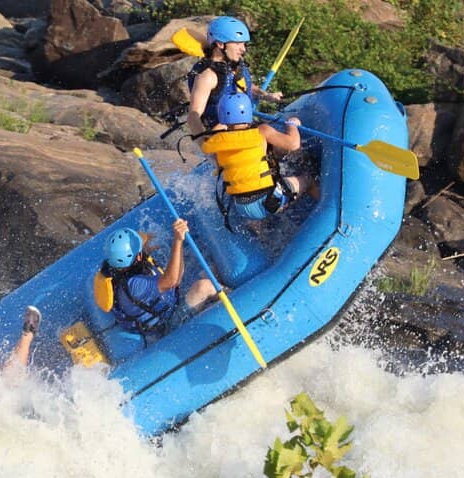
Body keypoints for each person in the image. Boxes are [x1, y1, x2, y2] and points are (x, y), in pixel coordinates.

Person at [202, 91, 317, 228]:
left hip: (242, 207)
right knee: (308, 180)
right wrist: (292, 124)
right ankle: (328, 213)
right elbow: (293, 144)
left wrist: (223, 123)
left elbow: (212, 136)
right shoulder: (262, 131)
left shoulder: (217, 143)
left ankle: (262, 229)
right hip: (266, 202)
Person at [97, 220, 216, 336]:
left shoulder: (117, 266)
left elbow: (175, 280)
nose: (144, 246)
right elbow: (173, 281)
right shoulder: (134, 285)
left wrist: (145, 245)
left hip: (168, 301)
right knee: (204, 286)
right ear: (138, 257)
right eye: (141, 249)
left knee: (211, 271)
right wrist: (178, 240)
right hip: (168, 325)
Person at [185, 16, 284, 138]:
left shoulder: (234, 64)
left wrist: (266, 96)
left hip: (244, 129)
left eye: (243, 44)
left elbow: (244, 86)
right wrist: (206, 147)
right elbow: (193, 117)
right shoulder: (208, 76)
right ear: (221, 44)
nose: (243, 49)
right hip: (223, 136)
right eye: (237, 43)